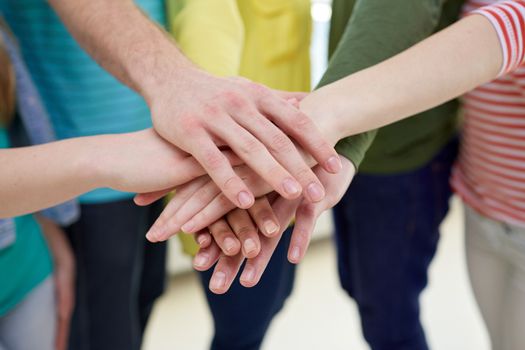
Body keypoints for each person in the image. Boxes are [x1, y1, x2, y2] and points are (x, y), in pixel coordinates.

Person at [166, 1, 309, 348]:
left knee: (275, 298)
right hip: (234, 176)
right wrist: (217, 152)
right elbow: (205, 23)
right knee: (242, 327)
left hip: (279, 166)